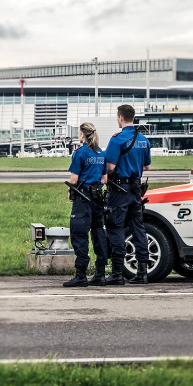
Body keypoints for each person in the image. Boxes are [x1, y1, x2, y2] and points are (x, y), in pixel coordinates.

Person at [103, 104, 152, 285]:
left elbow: (110, 167)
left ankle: (117, 273)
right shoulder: (143, 140)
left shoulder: (117, 139)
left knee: (115, 227)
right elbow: (146, 167)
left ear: (121, 118)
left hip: (120, 189)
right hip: (136, 189)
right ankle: (142, 272)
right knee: (138, 228)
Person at [62, 122, 109, 287]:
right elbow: (104, 179)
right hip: (98, 198)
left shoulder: (80, 153)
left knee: (79, 235)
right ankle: (101, 274)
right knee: (98, 235)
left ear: (82, 134)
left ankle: (81, 275)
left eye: (79, 132)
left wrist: (70, 192)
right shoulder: (101, 153)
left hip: (83, 199)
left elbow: (74, 180)